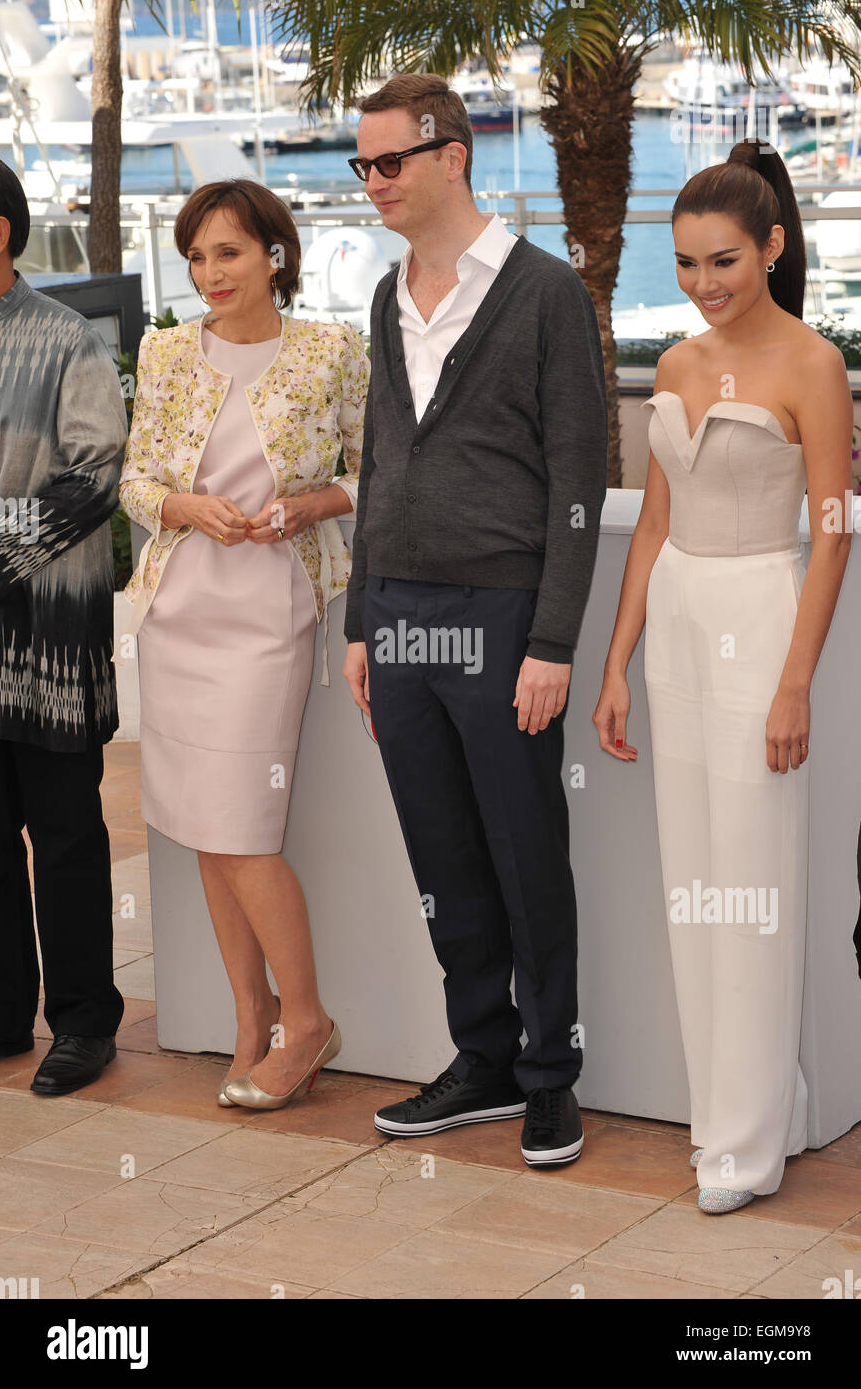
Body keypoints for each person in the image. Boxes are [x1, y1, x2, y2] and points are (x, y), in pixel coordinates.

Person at [342, 74, 607, 1167]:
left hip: (501, 614)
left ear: (451, 154)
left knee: (524, 847)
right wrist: (362, 617)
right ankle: (483, 1059)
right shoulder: (384, 296)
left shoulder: (544, 293)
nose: (371, 183)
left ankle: (552, 1077)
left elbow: (579, 479)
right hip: (397, 615)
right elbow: (378, 464)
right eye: (360, 165)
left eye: (387, 162)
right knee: (443, 851)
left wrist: (551, 642)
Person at [593, 138, 853, 1212]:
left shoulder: (814, 364)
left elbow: (833, 531)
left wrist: (796, 680)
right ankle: (740, 1113)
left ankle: (744, 1145)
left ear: (774, 248)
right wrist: (616, 663)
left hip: (762, 610)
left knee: (753, 883)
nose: (704, 286)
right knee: (694, 880)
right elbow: (654, 521)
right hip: (682, 628)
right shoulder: (682, 363)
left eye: (725, 263)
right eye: (689, 264)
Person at [119, 179, 369, 1110]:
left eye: (227, 252)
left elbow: (374, 467)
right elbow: (138, 483)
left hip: (270, 616)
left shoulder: (331, 351)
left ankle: (305, 1021)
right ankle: (248, 1017)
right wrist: (183, 507)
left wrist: (308, 506)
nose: (208, 273)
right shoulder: (166, 352)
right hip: (179, 612)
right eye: (195, 256)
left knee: (242, 829)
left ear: (275, 253)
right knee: (206, 836)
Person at [0, 159, 128, 1094]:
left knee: (71, 834)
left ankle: (84, 1023)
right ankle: (5, 1015)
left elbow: (96, 473)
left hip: (49, 640)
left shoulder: (69, 339)